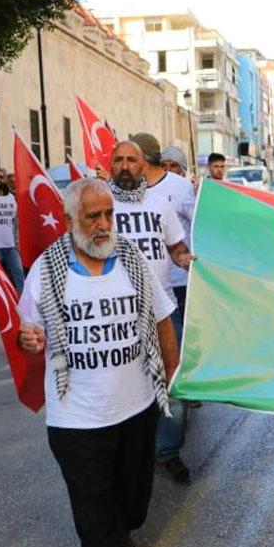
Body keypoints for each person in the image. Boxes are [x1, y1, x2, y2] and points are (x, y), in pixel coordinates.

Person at [17, 177, 180, 547]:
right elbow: (29, 333)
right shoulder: (46, 270)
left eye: (109, 214)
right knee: (91, 498)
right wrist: (29, 341)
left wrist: (173, 371)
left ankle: (122, 530)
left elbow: (163, 318)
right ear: (71, 221)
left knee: (133, 495)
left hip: (136, 404)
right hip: (76, 415)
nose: (104, 224)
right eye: (93, 216)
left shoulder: (131, 260)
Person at [105, 140, 196, 483]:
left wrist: (186, 260)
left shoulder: (160, 204)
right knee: (127, 388)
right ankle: (130, 456)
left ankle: (167, 452)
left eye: (132, 159)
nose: (125, 165)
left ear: (144, 165)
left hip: (163, 311)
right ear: (111, 165)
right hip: (116, 314)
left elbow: (175, 247)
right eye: (119, 160)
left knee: (174, 383)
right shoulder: (101, 204)